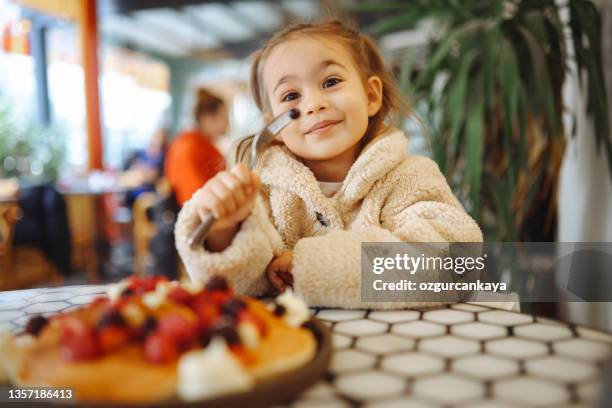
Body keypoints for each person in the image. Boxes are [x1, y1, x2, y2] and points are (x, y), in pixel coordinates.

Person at [174, 20, 483, 309]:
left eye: (331, 81)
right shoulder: (263, 194)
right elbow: (237, 285)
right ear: (274, 127)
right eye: (291, 95)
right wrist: (225, 230)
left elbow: (457, 262)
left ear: (371, 95)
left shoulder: (410, 176)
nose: (313, 104)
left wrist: (313, 266)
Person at [165, 88, 228, 206]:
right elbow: (195, 198)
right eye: (224, 117)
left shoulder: (198, 143)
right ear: (208, 117)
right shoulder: (189, 147)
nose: (227, 123)